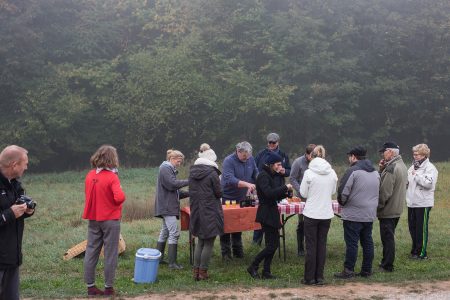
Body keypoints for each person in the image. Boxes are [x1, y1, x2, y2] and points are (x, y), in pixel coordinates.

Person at [82, 145, 125, 297]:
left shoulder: (89, 175)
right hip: (110, 219)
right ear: (112, 158)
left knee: (91, 251)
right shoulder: (112, 177)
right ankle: (108, 288)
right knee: (110, 253)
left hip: (93, 218)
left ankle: (90, 286)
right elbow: (119, 197)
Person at [334, 146, 380, 279]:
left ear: (354, 157)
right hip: (369, 213)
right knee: (367, 241)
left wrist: (343, 204)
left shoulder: (352, 171)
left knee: (352, 243)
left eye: (349, 156)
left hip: (353, 214)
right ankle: (367, 270)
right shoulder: (375, 172)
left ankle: (348, 270)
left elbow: (343, 192)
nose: (349, 159)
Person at [247, 152, 293, 279]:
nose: (280, 167)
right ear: (272, 165)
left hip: (271, 212)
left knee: (271, 244)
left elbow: (275, 195)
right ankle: (253, 265)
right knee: (273, 245)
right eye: (278, 164)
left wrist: (287, 193)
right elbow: (268, 194)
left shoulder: (270, 175)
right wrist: (284, 187)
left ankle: (266, 272)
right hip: (266, 213)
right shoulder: (263, 176)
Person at [299, 145, 337, 285]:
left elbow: (303, 193)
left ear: (311, 156)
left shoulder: (309, 173)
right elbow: (333, 191)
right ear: (324, 156)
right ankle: (319, 277)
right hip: (326, 214)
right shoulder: (332, 172)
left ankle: (309, 278)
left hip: (311, 213)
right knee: (321, 245)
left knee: (311, 246)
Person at [0, 145, 34, 300]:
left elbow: (19, 204)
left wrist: (27, 211)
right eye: (24, 163)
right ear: (14, 165)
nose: (26, 167)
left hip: (11, 256)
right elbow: (9, 213)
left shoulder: (14, 183)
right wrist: (9, 214)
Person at [189, 144, 224, 280]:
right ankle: (203, 272)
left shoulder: (192, 172)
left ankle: (195, 272)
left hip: (196, 210)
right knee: (209, 241)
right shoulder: (212, 173)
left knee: (200, 241)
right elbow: (218, 192)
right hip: (210, 211)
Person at [220, 141, 258, 260]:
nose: (246, 158)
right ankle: (226, 253)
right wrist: (247, 184)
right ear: (238, 151)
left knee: (237, 224)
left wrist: (260, 180)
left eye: (248, 155)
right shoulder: (229, 161)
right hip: (228, 197)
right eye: (244, 156)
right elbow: (229, 179)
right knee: (226, 225)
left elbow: (255, 172)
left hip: (241, 197)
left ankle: (238, 251)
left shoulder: (250, 159)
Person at [253, 133, 291, 245]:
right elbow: (255, 169)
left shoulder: (283, 155)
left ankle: (273, 241)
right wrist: (258, 181)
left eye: (273, 142)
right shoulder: (261, 154)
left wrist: (285, 171)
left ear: (278, 142)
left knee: (274, 215)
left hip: (278, 187)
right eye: (269, 142)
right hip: (265, 187)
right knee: (264, 214)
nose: (271, 144)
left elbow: (289, 170)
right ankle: (256, 242)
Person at [154, 149, 189, 269]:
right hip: (167, 206)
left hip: (166, 205)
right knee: (174, 232)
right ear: (172, 159)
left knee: (165, 232)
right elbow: (172, 184)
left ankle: (159, 259)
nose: (179, 164)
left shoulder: (168, 169)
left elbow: (176, 191)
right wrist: (190, 181)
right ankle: (172, 263)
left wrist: (190, 193)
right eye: (178, 161)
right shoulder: (165, 168)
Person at [377, 141, 408, 272]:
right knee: (388, 236)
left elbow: (385, 192)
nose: (382, 154)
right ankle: (385, 261)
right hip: (397, 208)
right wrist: (381, 169)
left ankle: (388, 265)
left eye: (383, 152)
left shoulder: (391, 168)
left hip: (388, 210)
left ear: (390, 152)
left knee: (387, 238)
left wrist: (378, 207)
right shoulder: (402, 165)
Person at [406, 143, 438, 260]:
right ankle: (414, 250)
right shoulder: (412, 167)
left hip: (423, 203)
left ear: (424, 155)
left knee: (421, 229)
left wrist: (416, 175)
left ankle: (421, 253)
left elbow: (428, 184)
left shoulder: (430, 168)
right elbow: (408, 182)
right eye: (414, 154)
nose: (415, 156)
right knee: (412, 228)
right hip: (411, 202)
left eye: (418, 154)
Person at [289, 143, 316, 256]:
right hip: (302, 197)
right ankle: (300, 248)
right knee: (302, 222)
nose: (314, 158)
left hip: (315, 196)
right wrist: (301, 189)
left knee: (314, 221)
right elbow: (292, 178)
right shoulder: (298, 162)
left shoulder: (317, 163)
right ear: (307, 154)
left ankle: (313, 246)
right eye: (312, 156)